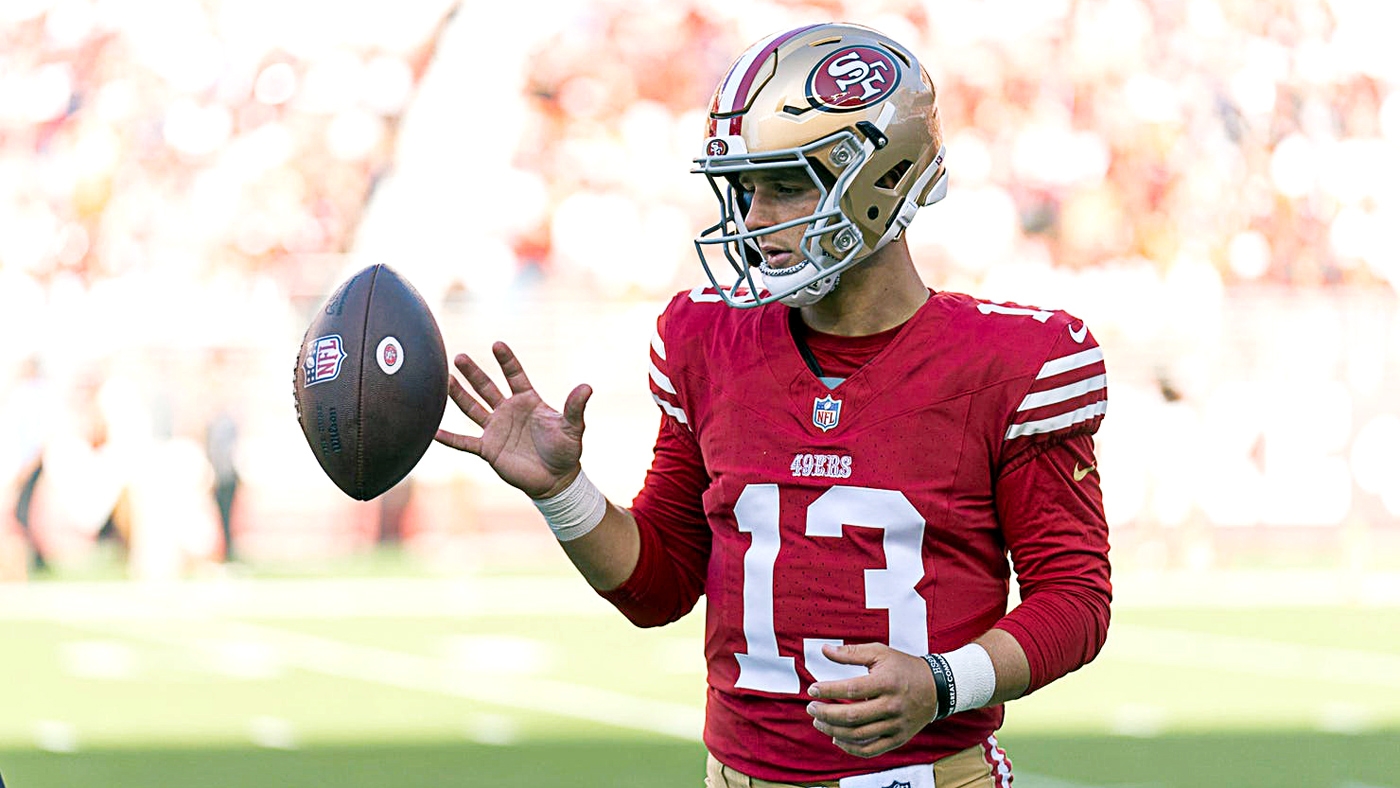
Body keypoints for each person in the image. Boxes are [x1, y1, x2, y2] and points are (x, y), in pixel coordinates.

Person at [436, 22, 1110, 787]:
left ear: (881, 178)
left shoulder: (1012, 362)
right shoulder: (705, 337)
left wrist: (941, 681)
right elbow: (659, 586)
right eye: (745, 189)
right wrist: (563, 495)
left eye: (787, 184)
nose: (754, 221)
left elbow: (1075, 599)